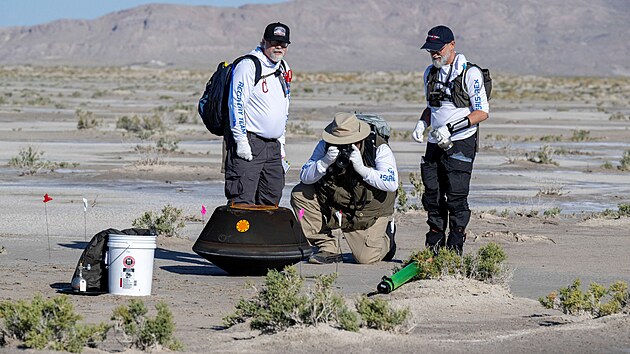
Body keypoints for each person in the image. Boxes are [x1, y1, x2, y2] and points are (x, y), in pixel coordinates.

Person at [412, 25, 489, 255]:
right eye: (430, 50)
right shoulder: (430, 73)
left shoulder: (470, 73)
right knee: (432, 196)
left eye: (438, 49)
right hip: (435, 142)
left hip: (461, 143)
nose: (434, 54)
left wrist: (451, 128)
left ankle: (454, 249)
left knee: (456, 197)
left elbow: (482, 112)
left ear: (452, 45)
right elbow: (431, 107)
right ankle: (433, 247)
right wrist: (422, 123)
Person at [291, 112, 398, 264]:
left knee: (365, 258)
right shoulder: (325, 146)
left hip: (369, 211)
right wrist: (324, 162)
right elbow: (305, 177)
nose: (343, 147)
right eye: (338, 142)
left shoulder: (377, 148)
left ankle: (388, 236)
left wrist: (363, 169)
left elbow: (392, 182)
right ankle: (327, 247)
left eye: (350, 142)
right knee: (300, 193)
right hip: (337, 203)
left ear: (360, 138)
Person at [225, 22, 292, 205]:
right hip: (250, 141)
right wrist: (241, 142)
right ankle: (239, 234)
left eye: (283, 43)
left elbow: (284, 107)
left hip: (274, 147)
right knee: (242, 198)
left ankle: (264, 235)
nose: (278, 47)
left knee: (272, 197)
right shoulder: (249, 65)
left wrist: (281, 144)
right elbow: (236, 104)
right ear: (263, 41)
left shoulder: (283, 67)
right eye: (273, 42)